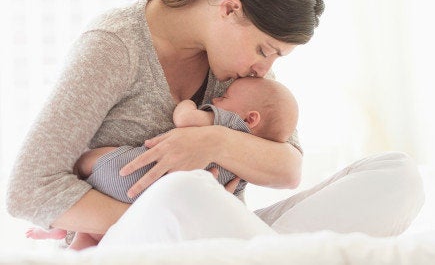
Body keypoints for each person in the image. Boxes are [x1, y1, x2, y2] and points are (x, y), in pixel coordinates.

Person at [7, 0, 424, 249]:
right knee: (185, 192)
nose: (265, 68)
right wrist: (171, 219)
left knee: (397, 177)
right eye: (265, 49)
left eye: (276, 57)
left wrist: (212, 142)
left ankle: (256, 253)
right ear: (229, 9)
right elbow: (27, 190)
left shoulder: (238, 68)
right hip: (136, 240)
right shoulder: (115, 46)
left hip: (227, 240)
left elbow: (288, 167)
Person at [25, 77, 299, 250]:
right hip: (147, 195)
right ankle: (75, 241)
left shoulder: (228, 123)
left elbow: (186, 121)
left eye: (224, 98)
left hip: (129, 173)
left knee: (93, 160)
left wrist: (187, 104)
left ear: (250, 119)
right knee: (93, 237)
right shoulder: (252, 159)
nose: (216, 99)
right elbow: (231, 196)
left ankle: (68, 226)